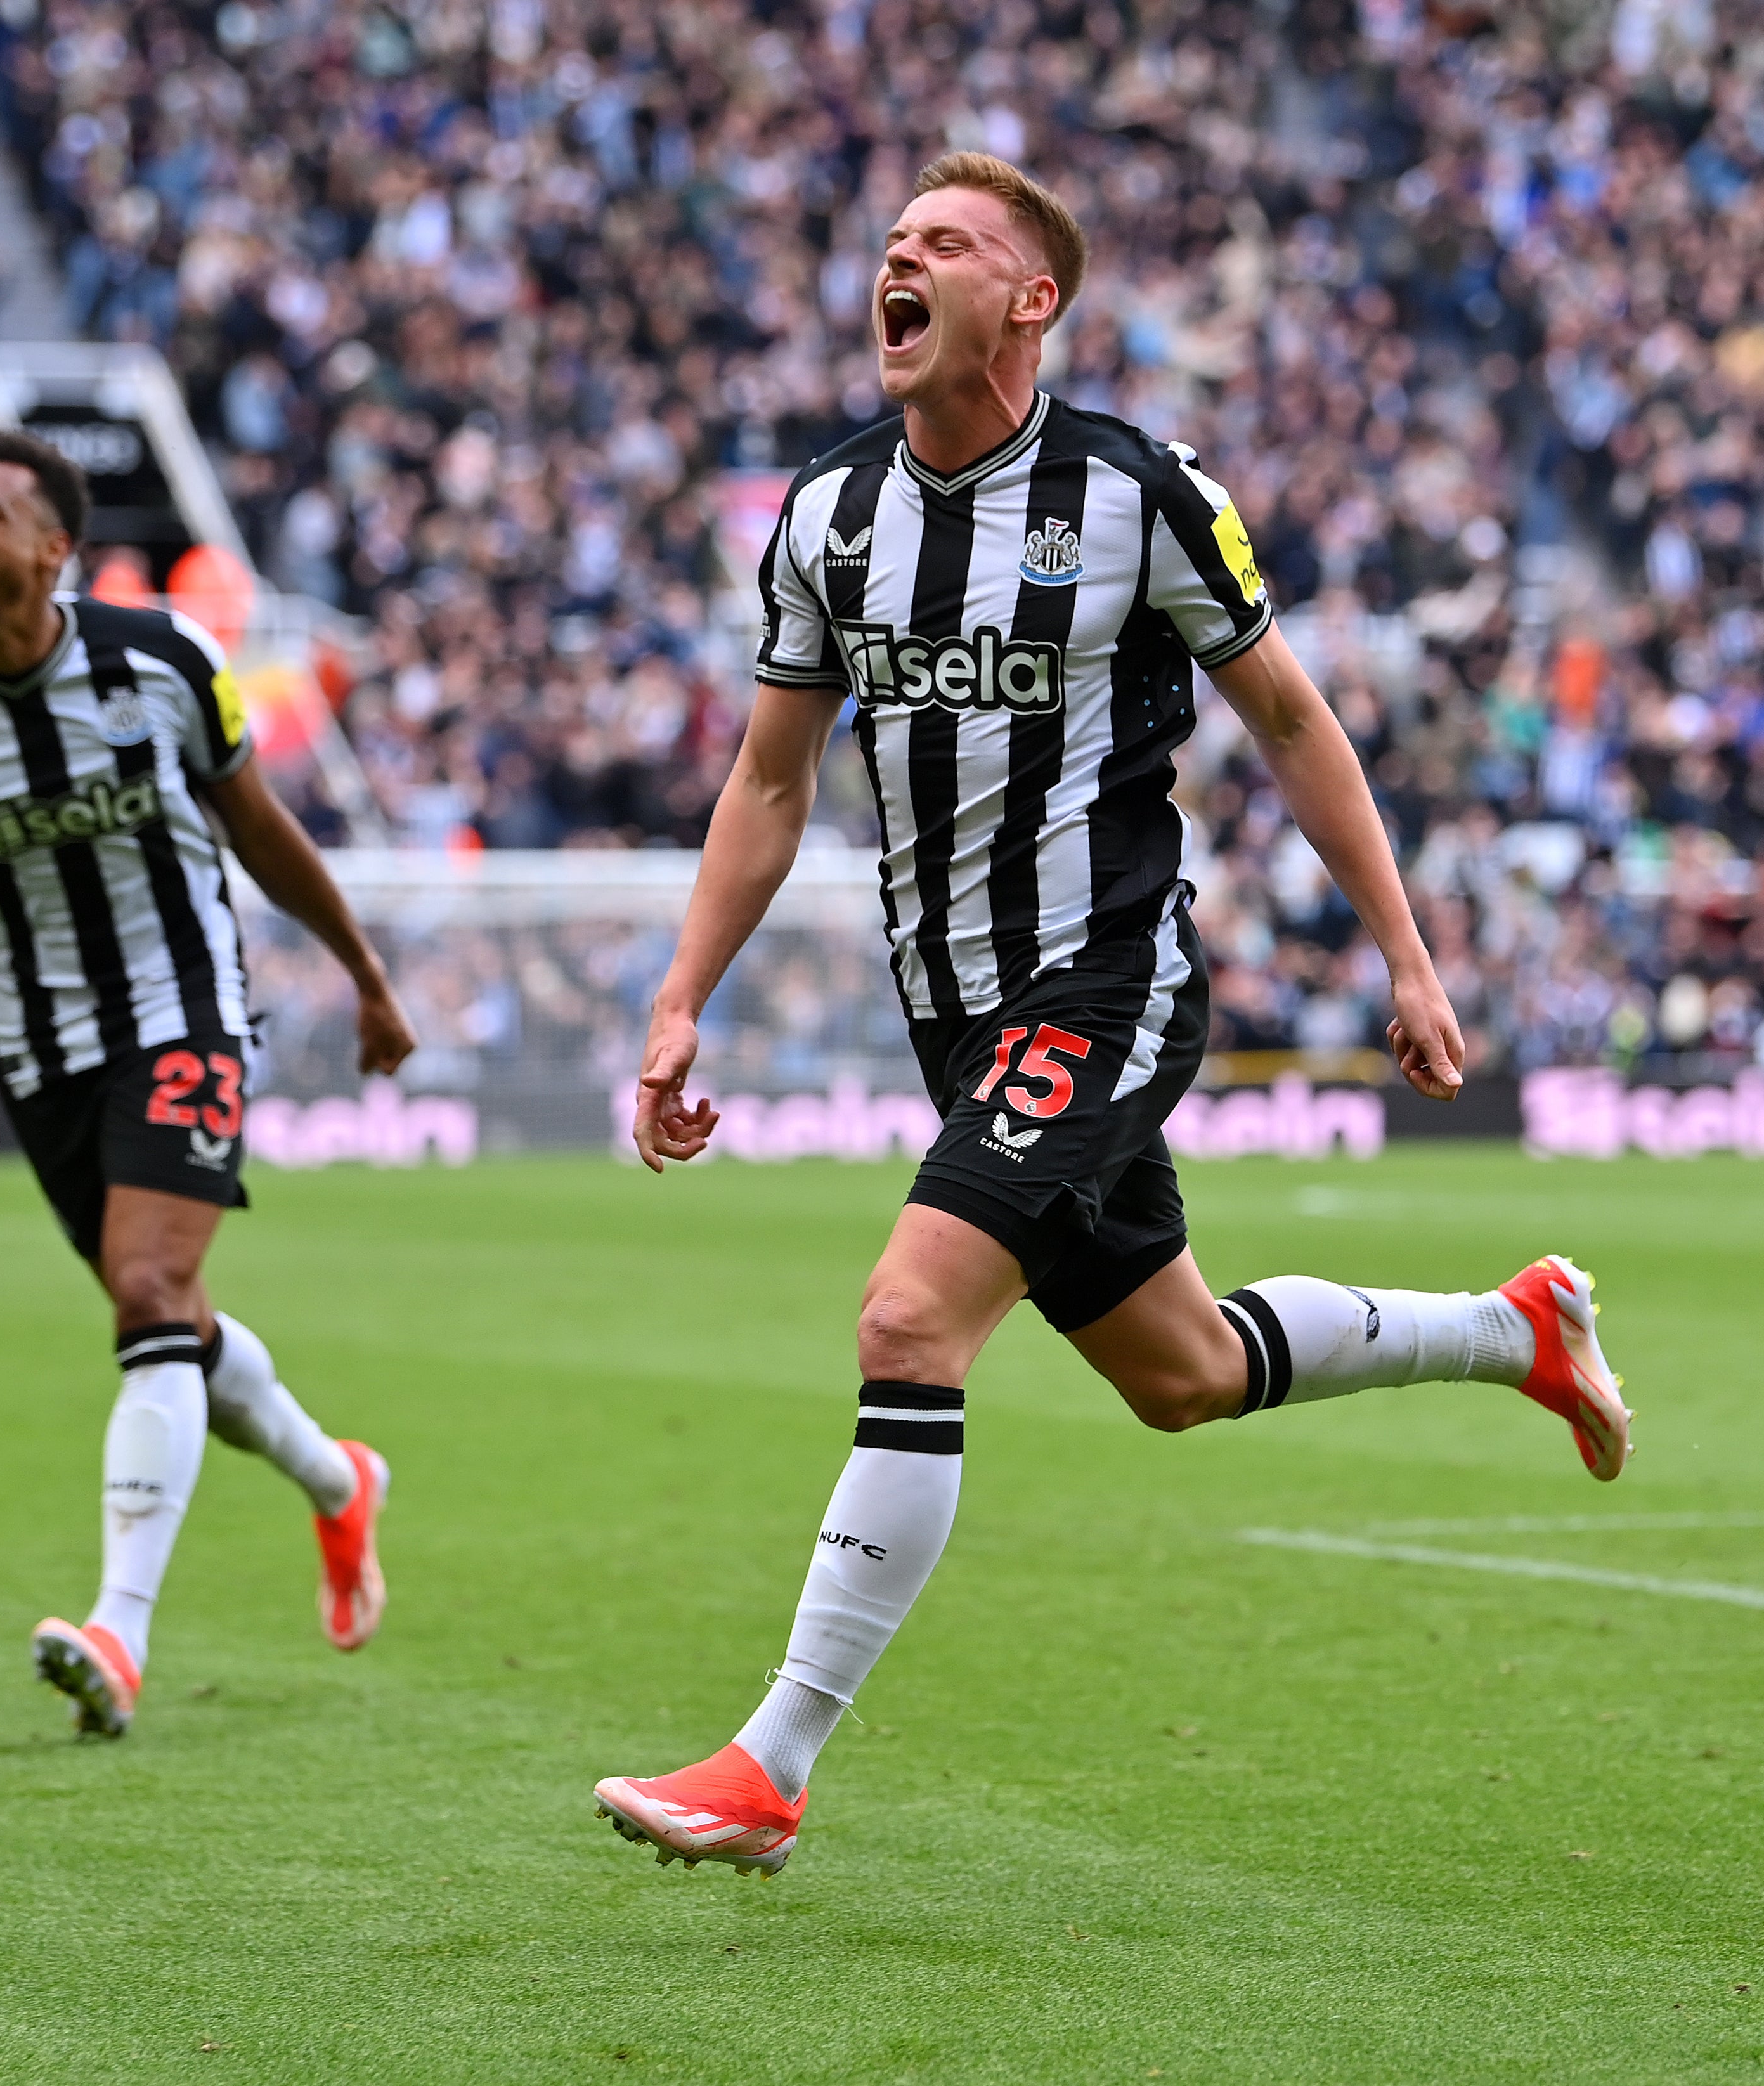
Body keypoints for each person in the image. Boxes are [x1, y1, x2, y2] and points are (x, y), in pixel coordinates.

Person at [591, 156, 1635, 1875]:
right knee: (1183, 1373)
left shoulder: (1141, 493)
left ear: (1031, 301)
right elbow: (769, 781)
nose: (898, 260)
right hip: (956, 1012)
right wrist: (681, 995)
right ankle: (1517, 1328)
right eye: (892, 243)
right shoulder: (828, 515)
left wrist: (1411, 952)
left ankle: (771, 1761)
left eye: (946, 244)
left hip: (1108, 973)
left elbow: (1291, 721)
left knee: (909, 1321)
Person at [0, 429, 418, 1737]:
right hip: (39, 1051)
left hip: (184, 1017)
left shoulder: (161, 662)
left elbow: (259, 828)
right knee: (171, 1322)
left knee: (149, 1298)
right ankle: (340, 1482)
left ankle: (121, 1628)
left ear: (53, 551)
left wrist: (366, 977)